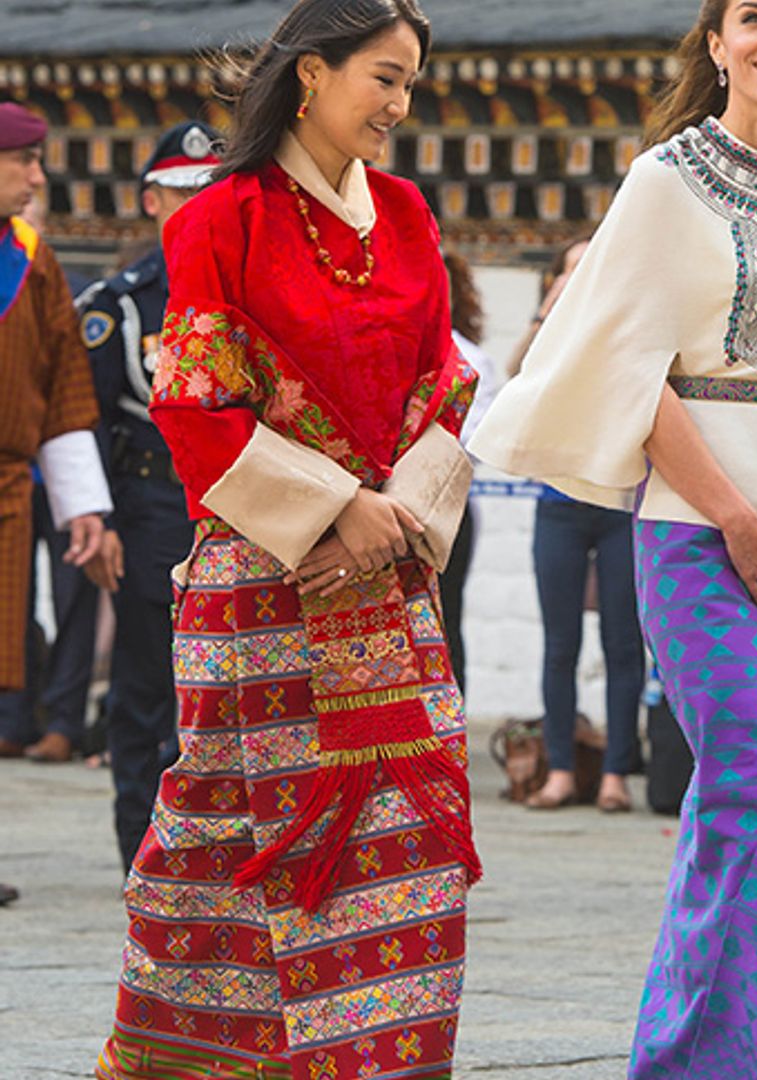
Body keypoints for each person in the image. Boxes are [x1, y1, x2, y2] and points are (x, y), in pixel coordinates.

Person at [471, 0, 757, 1074]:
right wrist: (739, 519)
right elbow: (629, 365)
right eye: (751, 16)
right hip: (698, 536)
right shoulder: (664, 180)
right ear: (715, 44)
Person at [94, 3, 480, 1077]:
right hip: (259, 588)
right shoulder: (220, 219)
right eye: (384, 78)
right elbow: (194, 405)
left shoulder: (406, 214)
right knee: (226, 842)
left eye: (410, 84)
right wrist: (330, 506)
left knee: (408, 848)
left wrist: (389, 510)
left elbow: (444, 388)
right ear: (312, 74)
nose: (400, 106)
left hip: (389, 587)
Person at [76, 121, 217, 872]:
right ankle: (143, 848)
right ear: (152, 199)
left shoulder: (250, 288)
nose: (200, 206)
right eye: (184, 193)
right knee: (144, 687)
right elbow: (86, 420)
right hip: (153, 505)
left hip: (241, 509)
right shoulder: (121, 306)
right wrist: (99, 517)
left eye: (214, 191)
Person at [509, 237, 646, 813]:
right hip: (559, 502)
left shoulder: (626, 327)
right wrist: (548, 312)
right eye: (570, 270)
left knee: (622, 642)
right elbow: (517, 379)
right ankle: (560, 768)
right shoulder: (551, 337)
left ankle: (615, 771)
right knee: (560, 643)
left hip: (617, 504)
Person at [0, 102, 111, 729]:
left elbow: (64, 385)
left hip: (8, 497)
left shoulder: (32, 257)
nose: (39, 177)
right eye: (24, 160)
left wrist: (82, 507)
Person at [437, 250, 498, 696]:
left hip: (447, 508)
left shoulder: (473, 358)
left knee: (445, 618)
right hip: (381, 508)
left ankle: (449, 731)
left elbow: (472, 440)